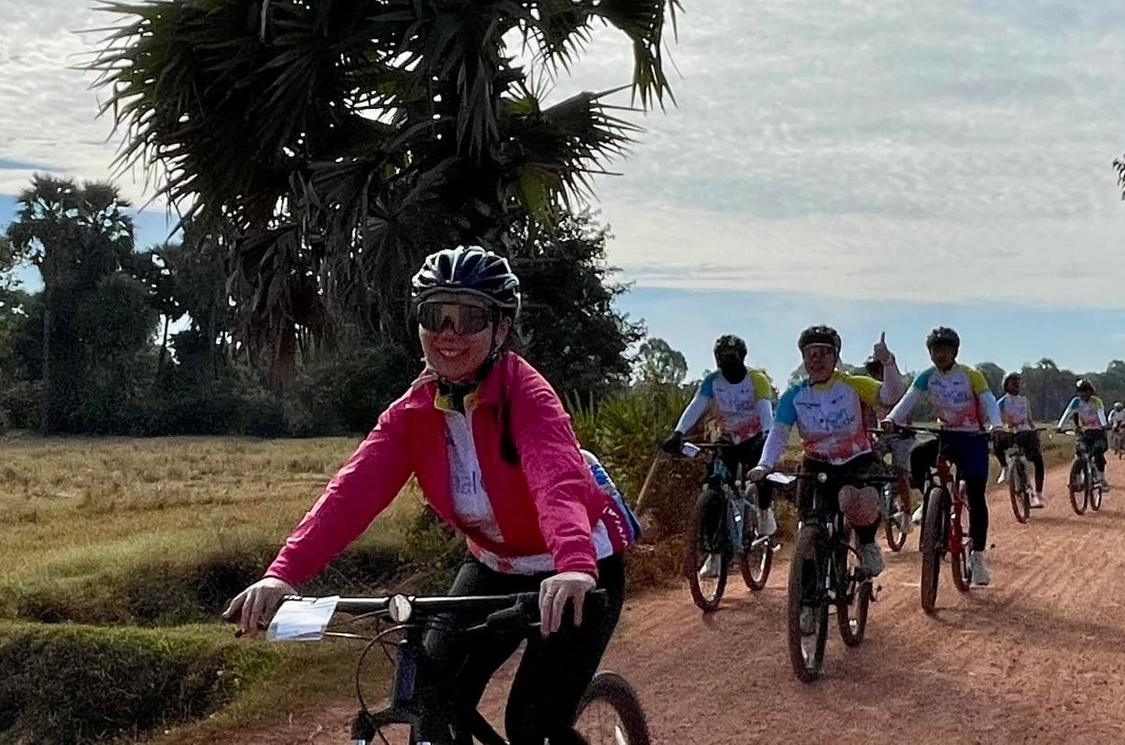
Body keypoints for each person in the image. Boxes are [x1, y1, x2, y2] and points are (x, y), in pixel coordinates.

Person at [223, 246, 635, 745]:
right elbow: (350, 494)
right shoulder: (412, 413)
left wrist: (572, 564)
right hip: (496, 566)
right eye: (436, 316)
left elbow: (557, 480)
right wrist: (280, 575)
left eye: (471, 318)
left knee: (532, 724)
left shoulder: (527, 395)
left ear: (501, 329)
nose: (450, 334)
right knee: (429, 694)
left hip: (578, 568)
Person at [747, 325, 904, 604]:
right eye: (811, 354)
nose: (817, 359)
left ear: (835, 357)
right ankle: (807, 600)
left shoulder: (853, 385)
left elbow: (891, 395)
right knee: (808, 529)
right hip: (816, 463)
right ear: (804, 358)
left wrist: (887, 362)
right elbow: (779, 433)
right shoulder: (794, 396)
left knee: (862, 502)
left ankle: (866, 542)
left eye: (824, 353)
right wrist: (764, 465)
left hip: (857, 460)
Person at [883, 326, 1002, 586]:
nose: (940, 355)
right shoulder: (927, 376)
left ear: (954, 351)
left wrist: (996, 425)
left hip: (973, 439)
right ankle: (929, 500)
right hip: (947, 436)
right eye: (935, 350)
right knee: (918, 455)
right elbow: (909, 399)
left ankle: (978, 557)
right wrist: (892, 419)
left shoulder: (970, 375)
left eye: (945, 349)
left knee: (975, 493)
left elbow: (989, 400)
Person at [661, 334, 778, 577]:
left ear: (742, 358)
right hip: (728, 438)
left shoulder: (756, 379)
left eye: (731, 358)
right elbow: (696, 406)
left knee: (761, 473)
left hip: (755, 437)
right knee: (712, 487)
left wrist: (768, 435)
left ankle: (765, 511)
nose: (727, 363)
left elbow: (766, 410)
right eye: (722, 358)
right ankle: (715, 556)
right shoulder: (712, 382)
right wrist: (678, 433)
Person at [865, 343, 917, 535]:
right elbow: (869, 417)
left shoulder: (897, 387)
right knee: (866, 462)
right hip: (883, 436)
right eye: (873, 371)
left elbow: (907, 411)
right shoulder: (871, 391)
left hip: (903, 436)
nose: (876, 375)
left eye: (878, 370)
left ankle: (907, 513)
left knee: (900, 471)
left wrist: (899, 424)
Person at [993, 371, 1045, 508]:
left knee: (1038, 460)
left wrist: (1035, 432)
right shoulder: (1002, 402)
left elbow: (1029, 419)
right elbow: (996, 420)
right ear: (1006, 385)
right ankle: (1004, 467)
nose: (1016, 384)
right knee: (996, 439)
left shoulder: (1024, 401)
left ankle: (1038, 495)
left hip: (1025, 433)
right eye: (1013, 381)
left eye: (1018, 381)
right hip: (1010, 433)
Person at [1057, 377, 1110, 489]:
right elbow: (1068, 413)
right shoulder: (1076, 402)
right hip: (1085, 433)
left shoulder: (1096, 401)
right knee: (1080, 452)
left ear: (1090, 391)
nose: (1083, 394)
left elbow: (1101, 414)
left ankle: (1101, 478)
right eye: (1080, 391)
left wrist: (1104, 425)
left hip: (1098, 432)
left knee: (1097, 452)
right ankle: (1076, 479)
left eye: (1085, 391)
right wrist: (1060, 426)